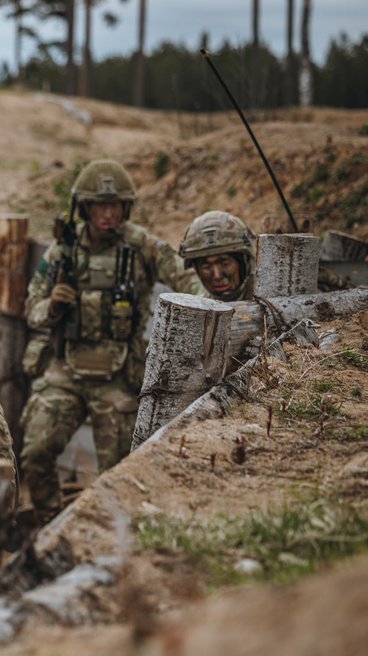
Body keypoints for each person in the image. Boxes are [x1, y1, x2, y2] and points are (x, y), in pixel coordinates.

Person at [19, 159, 206, 523]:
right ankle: (48, 522)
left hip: (120, 375)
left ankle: (110, 535)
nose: (107, 214)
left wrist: (218, 304)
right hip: (66, 369)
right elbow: (31, 310)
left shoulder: (142, 247)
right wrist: (53, 305)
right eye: (100, 206)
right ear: (84, 207)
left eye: (115, 205)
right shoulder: (62, 253)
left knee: (121, 473)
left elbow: (187, 279)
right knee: (35, 451)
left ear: (126, 207)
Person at [179, 210, 257, 301]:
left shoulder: (270, 300)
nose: (217, 276)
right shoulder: (198, 308)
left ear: (244, 262)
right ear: (197, 270)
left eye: (224, 263)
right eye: (207, 266)